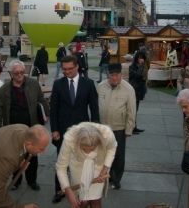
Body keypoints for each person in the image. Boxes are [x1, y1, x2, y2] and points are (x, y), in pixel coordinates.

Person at [0, 60, 50, 191]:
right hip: (13, 129)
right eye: (16, 73)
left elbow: (41, 100)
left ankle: (32, 180)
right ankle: (16, 180)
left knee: (32, 155)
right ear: (11, 73)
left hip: (31, 127)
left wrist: (46, 115)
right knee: (15, 155)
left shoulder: (33, 84)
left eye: (22, 72)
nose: (19, 75)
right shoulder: (4, 89)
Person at [50, 55, 100, 203]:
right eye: (64, 69)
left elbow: (94, 108)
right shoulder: (58, 84)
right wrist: (54, 129)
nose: (67, 72)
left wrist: (95, 129)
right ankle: (59, 191)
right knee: (62, 162)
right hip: (63, 130)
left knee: (83, 163)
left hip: (83, 132)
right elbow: (53, 109)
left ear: (77, 66)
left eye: (70, 69)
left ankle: (82, 190)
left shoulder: (89, 84)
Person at [56, 122, 117, 208]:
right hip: (78, 165)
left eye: (91, 149)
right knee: (83, 202)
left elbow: (112, 148)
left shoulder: (107, 135)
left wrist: (105, 168)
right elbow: (61, 167)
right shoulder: (70, 139)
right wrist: (68, 190)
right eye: (84, 149)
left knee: (96, 200)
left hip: (98, 165)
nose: (87, 153)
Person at [97, 63, 136, 190]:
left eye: (117, 75)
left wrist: (129, 128)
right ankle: (102, 177)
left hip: (118, 128)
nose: (114, 78)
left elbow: (131, 110)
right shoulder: (101, 87)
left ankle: (115, 179)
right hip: (103, 128)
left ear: (121, 74)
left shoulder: (128, 89)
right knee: (102, 154)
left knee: (118, 156)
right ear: (108, 74)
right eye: (112, 75)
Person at [129, 52, 146, 134]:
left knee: (136, 110)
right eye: (139, 58)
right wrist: (140, 66)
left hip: (139, 90)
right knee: (133, 110)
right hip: (134, 90)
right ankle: (131, 127)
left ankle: (134, 126)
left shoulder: (141, 66)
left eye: (142, 58)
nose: (141, 60)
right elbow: (137, 75)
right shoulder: (132, 67)